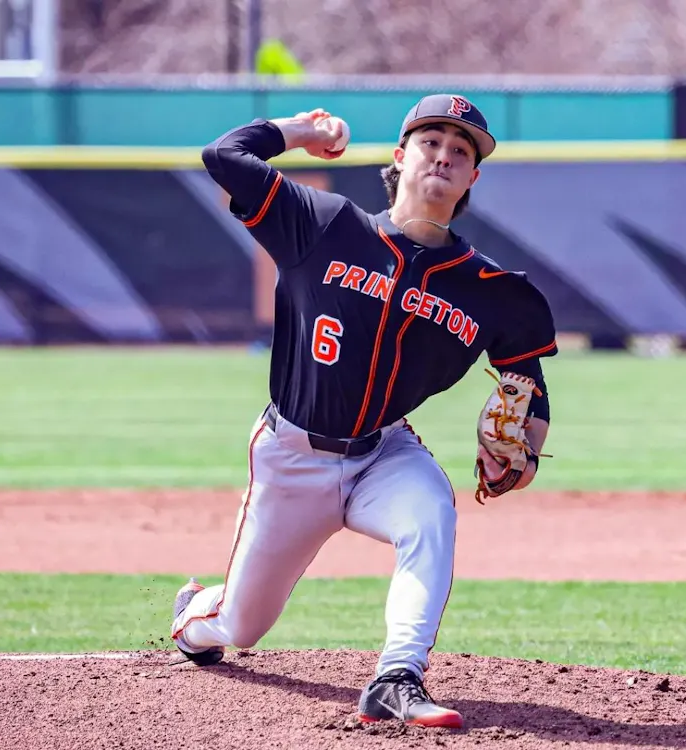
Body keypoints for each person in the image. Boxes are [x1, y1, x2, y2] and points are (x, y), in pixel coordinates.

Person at [169, 94, 558, 728]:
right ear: (401, 157)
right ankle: (195, 617)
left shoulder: (492, 290)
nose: (445, 156)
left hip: (385, 453)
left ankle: (396, 678)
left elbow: (528, 381)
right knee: (240, 624)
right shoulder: (322, 225)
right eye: (431, 142)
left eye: (462, 151)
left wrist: (525, 453)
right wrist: (301, 132)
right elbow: (225, 156)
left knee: (432, 511)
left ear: (472, 178)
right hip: (292, 457)